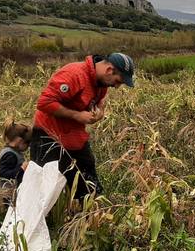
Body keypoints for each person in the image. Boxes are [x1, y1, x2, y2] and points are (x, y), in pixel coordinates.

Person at [31, 52, 134, 200]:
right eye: (118, 81)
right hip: (48, 136)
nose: (117, 86)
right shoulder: (73, 74)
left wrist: (100, 111)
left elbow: (101, 100)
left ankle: (89, 214)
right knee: (45, 185)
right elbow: (44, 103)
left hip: (74, 137)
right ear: (109, 70)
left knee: (87, 176)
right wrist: (76, 115)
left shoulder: (101, 82)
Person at [0, 120, 32, 205]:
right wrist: (22, 169)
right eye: (26, 144)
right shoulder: (10, 155)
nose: (27, 147)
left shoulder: (11, 151)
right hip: (10, 195)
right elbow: (4, 174)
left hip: (12, 194)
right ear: (19, 141)